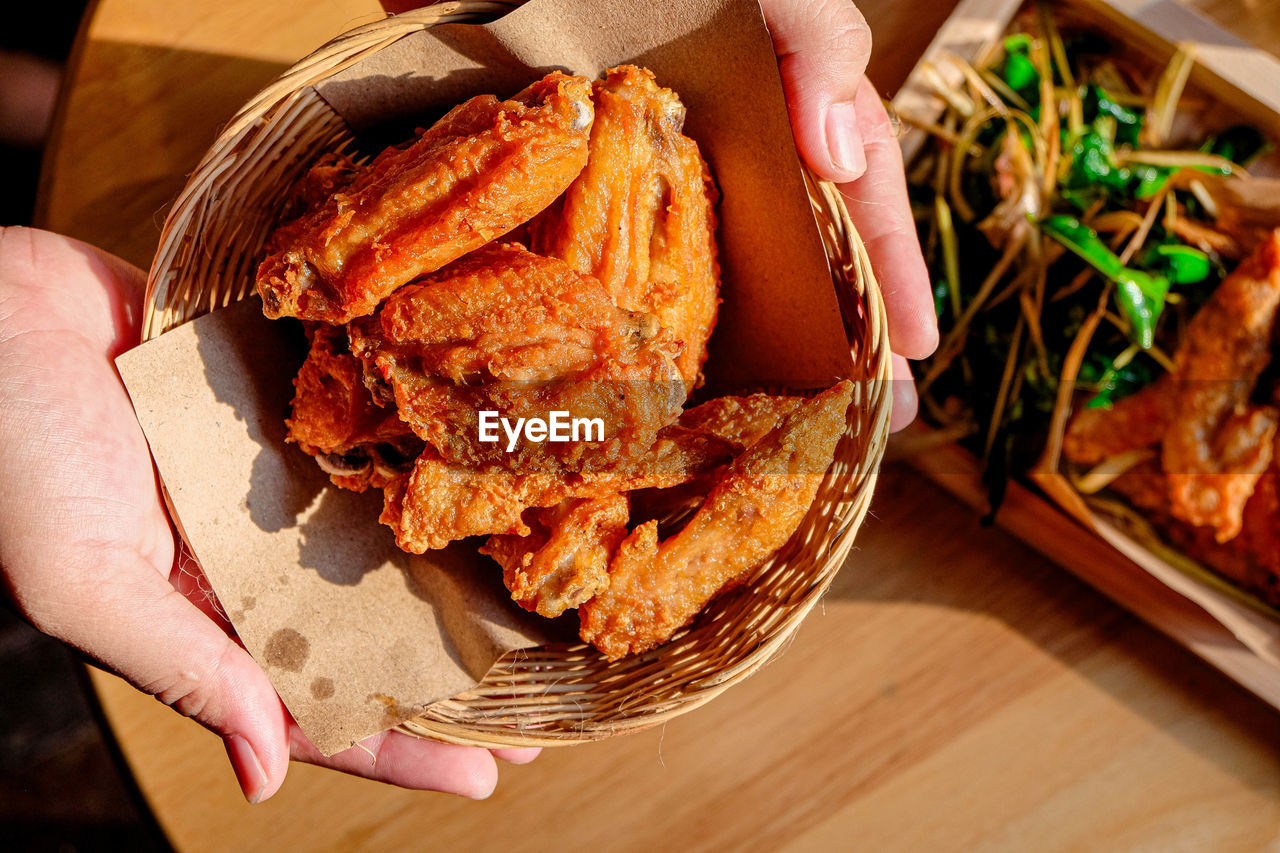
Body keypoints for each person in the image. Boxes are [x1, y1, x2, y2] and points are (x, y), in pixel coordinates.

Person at [0, 0, 937, 804]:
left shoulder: (549, 405)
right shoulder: (518, 358)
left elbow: (549, 435)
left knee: (587, 407)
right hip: (512, 381)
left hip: (538, 399)